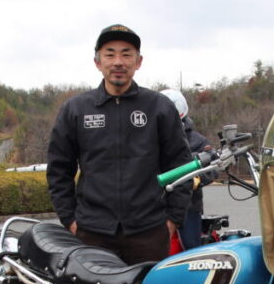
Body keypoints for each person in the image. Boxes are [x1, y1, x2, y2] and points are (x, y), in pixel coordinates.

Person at [46, 24, 192, 265]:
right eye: (110, 54)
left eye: (126, 54)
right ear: (97, 62)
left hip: (149, 231)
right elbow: (59, 169)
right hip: (91, 232)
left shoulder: (159, 107)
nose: (118, 62)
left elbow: (181, 166)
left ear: (138, 61)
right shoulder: (76, 109)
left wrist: (172, 220)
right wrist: (70, 220)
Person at [160, 89, 216, 251]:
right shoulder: (149, 138)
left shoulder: (198, 141)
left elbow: (213, 169)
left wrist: (196, 179)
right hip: (155, 205)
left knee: (191, 249)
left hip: (189, 205)